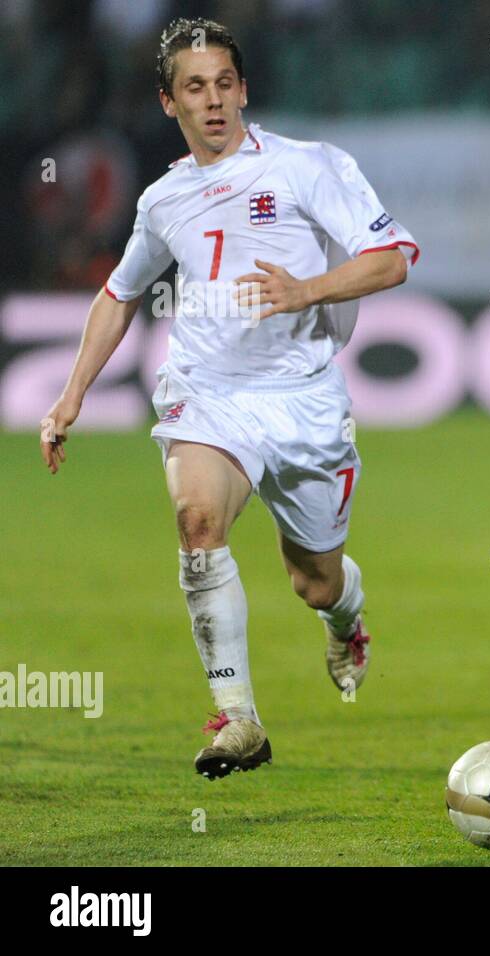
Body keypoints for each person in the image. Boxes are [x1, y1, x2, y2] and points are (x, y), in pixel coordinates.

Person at [39, 18, 420, 779]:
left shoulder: (309, 167)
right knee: (197, 520)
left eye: (223, 84)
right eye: (194, 88)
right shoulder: (162, 201)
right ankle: (237, 720)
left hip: (305, 402)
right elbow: (120, 293)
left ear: (243, 89)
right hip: (208, 395)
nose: (213, 101)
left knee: (313, 576)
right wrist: (69, 394)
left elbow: (392, 259)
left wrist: (306, 289)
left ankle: (345, 620)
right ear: (167, 102)